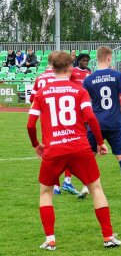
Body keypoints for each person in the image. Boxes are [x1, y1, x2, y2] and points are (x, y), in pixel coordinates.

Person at [26, 51, 121, 250]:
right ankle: (108, 237)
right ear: (71, 68)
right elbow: (91, 118)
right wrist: (99, 142)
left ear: (52, 68)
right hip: (79, 147)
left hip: (54, 149)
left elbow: (30, 125)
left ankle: (50, 240)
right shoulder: (78, 90)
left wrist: (37, 145)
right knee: (96, 189)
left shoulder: (42, 93)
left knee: (45, 193)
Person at [79, 46, 121, 200]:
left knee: (90, 156)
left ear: (97, 59)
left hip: (96, 123)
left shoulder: (88, 79)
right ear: (109, 58)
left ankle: (85, 187)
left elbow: (83, 102)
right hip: (114, 122)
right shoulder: (117, 75)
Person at [29, 52, 79, 195]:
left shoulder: (40, 78)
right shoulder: (64, 75)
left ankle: (56, 185)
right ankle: (67, 181)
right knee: (68, 147)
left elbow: (32, 98)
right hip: (66, 118)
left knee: (52, 151)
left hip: (47, 118)